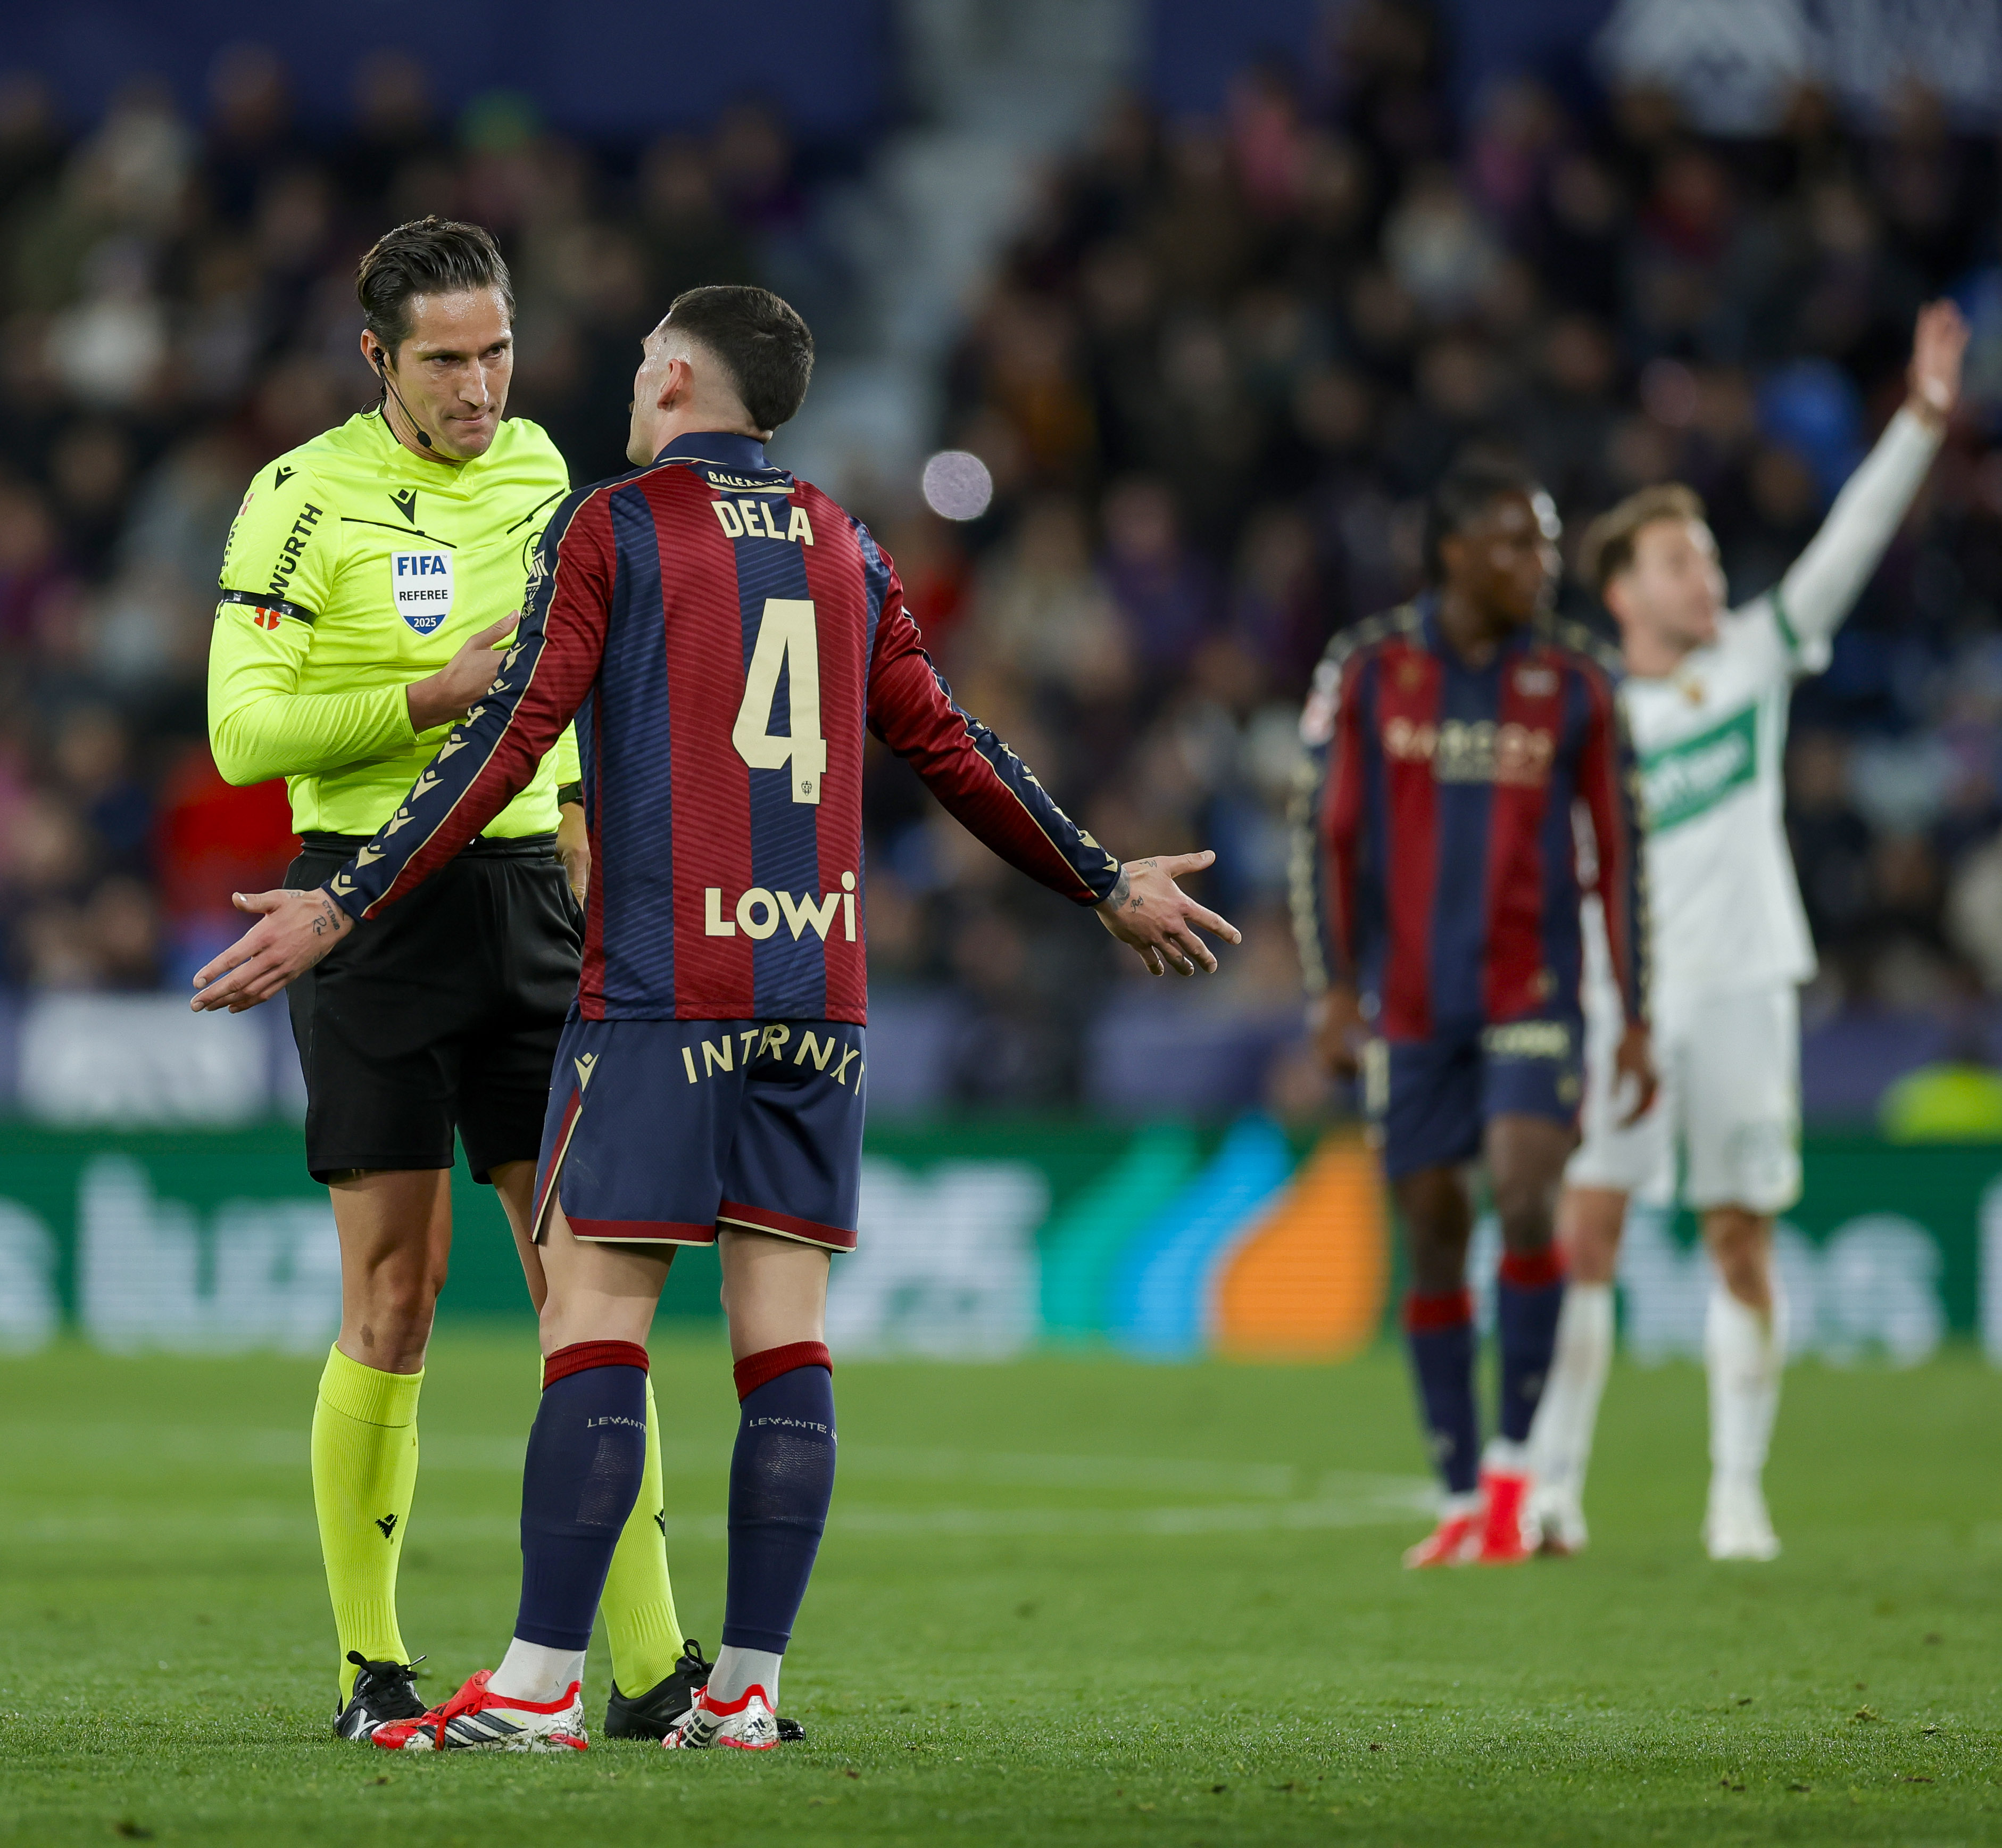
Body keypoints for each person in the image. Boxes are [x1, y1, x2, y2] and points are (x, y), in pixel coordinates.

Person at [192, 284, 1239, 1750]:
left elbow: (503, 749)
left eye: (637, 363)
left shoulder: (611, 526)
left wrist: (344, 900)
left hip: (660, 990)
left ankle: (543, 1680)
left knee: (596, 1320)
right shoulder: (842, 539)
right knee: (783, 1343)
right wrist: (1101, 876)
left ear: (678, 377)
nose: (621, 381)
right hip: (821, 988)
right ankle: (742, 1688)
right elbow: (948, 739)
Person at [202, 216, 703, 1743]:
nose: (480, 384)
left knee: (587, 1292)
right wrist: (437, 689)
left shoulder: (548, 470)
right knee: (399, 1297)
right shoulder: (298, 498)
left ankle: (655, 1677)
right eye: (444, 359)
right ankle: (374, 1667)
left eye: (495, 350)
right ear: (377, 360)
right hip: (361, 909)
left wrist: (565, 818)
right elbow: (244, 733)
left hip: (526, 911)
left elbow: (571, 692)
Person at [1526, 301, 1968, 1562]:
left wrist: (1920, 426)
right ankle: (1554, 1487)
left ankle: (1736, 1495)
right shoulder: (1582, 715)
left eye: (1711, 559)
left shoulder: (1756, 662)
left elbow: (1849, 543)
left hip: (1744, 987)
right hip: (1624, 1001)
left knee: (1738, 1233)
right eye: (1681, 564)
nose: (1708, 579)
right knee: (1588, 1229)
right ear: (1624, 590)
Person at [1291, 458, 1653, 1569]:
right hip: (1410, 1004)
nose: (1538, 566)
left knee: (1529, 1191)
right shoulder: (1367, 670)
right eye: (1515, 544)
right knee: (1437, 1229)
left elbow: (1620, 848)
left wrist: (1637, 1008)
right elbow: (1328, 836)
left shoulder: (1579, 679)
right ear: (1452, 553)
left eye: (1544, 543)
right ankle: (1456, 1492)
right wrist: (1332, 992)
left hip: (1535, 991)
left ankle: (1514, 1474)